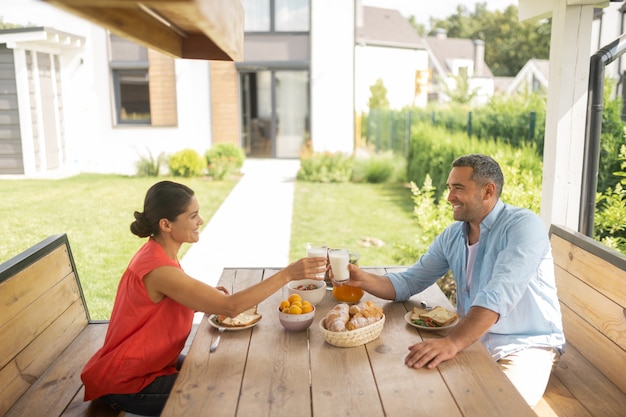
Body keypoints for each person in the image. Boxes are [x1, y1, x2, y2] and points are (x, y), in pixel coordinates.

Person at [81, 180, 326, 416]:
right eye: (192, 216)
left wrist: (205, 298)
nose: (200, 221)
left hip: (150, 362)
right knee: (226, 391)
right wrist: (288, 274)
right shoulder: (159, 269)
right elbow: (231, 308)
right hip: (127, 383)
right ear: (166, 224)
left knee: (223, 370)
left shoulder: (157, 253)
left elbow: (160, 305)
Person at [345, 154, 565, 407]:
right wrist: (362, 279)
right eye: (449, 188)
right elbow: (410, 281)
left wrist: (451, 343)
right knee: (409, 395)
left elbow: (498, 295)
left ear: (488, 191)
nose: (449, 197)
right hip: (473, 340)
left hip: (525, 345)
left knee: (501, 409)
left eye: (458, 188)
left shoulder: (524, 226)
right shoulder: (453, 235)